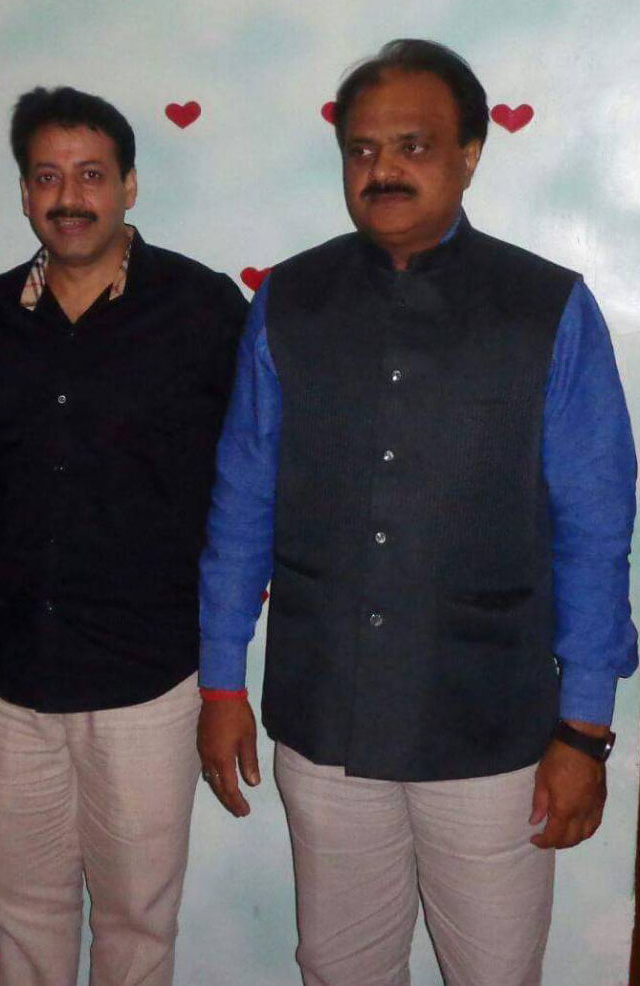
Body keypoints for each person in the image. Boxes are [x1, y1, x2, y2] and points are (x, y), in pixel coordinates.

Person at [198, 38, 636, 986]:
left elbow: (598, 532)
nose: (382, 169)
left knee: (495, 973)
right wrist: (222, 681)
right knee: (339, 966)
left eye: (413, 145)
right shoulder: (289, 301)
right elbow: (241, 499)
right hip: (324, 712)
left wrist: (584, 730)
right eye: (361, 149)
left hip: (492, 726)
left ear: (471, 153)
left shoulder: (546, 309)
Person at [0, 86, 247, 986]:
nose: (69, 197)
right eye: (47, 176)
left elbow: (248, 483)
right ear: (24, 192)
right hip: (12, 674)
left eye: (92, 175)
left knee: (137, 919)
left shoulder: (202, 309)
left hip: (149, 676)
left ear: (130, 185)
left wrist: (227, 659)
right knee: (22, 912)